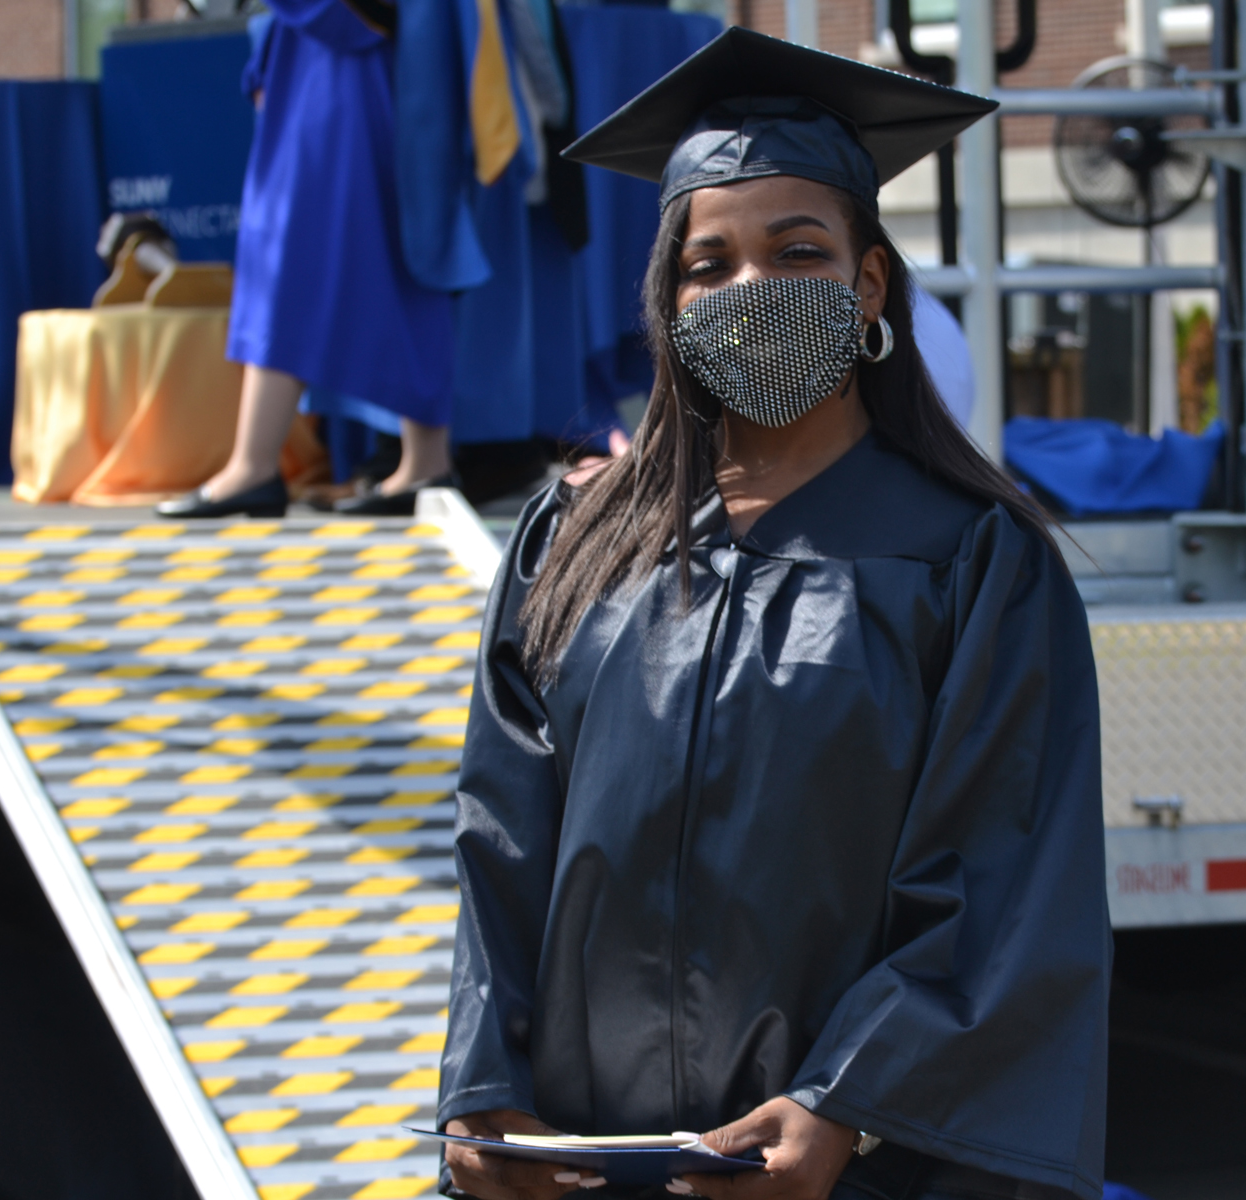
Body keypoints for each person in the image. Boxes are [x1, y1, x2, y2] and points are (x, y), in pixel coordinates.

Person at [436, 28, 1111, 1200]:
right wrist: (483, 1088)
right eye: (710, 263)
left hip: (840, 1169)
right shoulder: (577, 543)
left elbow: (1000, 882)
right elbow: (503, 841)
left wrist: (844, 1102)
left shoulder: (967, 561)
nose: (750, 290)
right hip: (587, 1165)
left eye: (798, 251)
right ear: (670, 297)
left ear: (865, 288)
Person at [157, 0, 463, 520]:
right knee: (389, 250)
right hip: (360, 58)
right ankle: (423, 461)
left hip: (348, 61)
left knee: (296, 258)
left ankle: (256, 465)